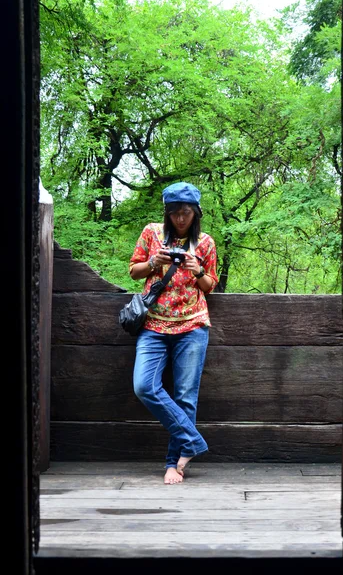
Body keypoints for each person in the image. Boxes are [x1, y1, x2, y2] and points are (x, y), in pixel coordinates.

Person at [129, 181, 218, 484]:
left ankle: (174, 463)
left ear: (196, 213)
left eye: (186, 213)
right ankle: (193, 440)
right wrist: (154, 262)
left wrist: (198, 270)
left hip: (193, 325)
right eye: (175, 213)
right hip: (153, 324)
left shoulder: (205, 243)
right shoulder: (151, 233)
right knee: (144, 386)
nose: (181, 219)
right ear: (167, 213)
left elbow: (210, 286)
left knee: (185, 397)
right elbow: (133, 270)